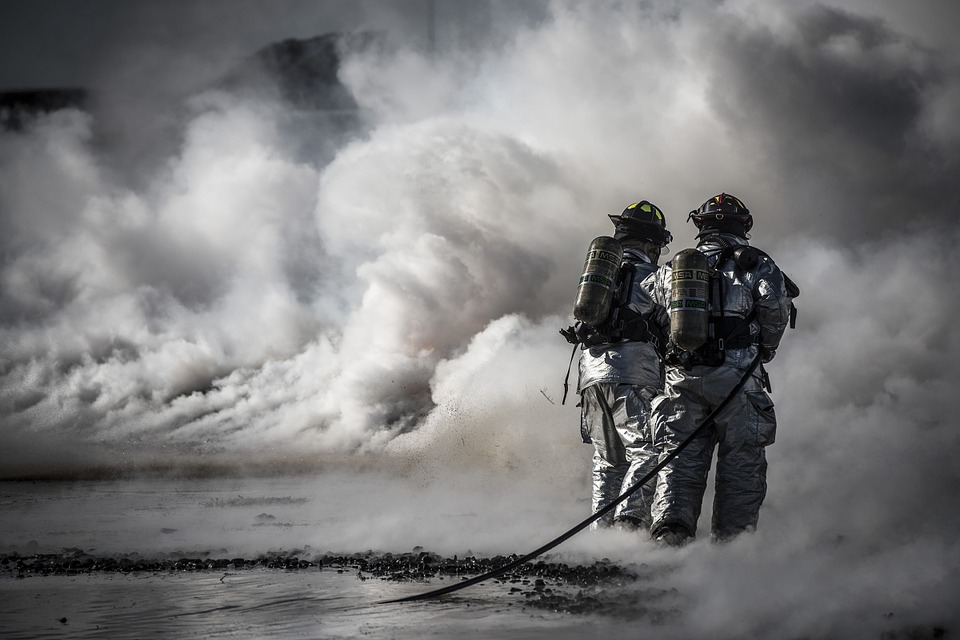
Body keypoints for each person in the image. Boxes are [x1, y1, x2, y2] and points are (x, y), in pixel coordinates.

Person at [641, 193, 796, 545]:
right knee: (741, 461)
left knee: (679, 460)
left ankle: (670, 539)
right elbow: (775, 306)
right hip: (738, 378)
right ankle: (730, 551)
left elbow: (649, 306)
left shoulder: (673, 270)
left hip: (681, 377)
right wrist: (766, 350)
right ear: (744, 225)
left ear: (700, 226)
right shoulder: (756, 263)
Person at [562, 200, 672, 530]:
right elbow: (672, 329)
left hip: (591, 375)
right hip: (634, 374)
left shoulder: (598, 281)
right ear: (652, 244)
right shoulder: (656, 276)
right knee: (647, 451)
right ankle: (627, 526)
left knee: (606, 459)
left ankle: (600, 534)